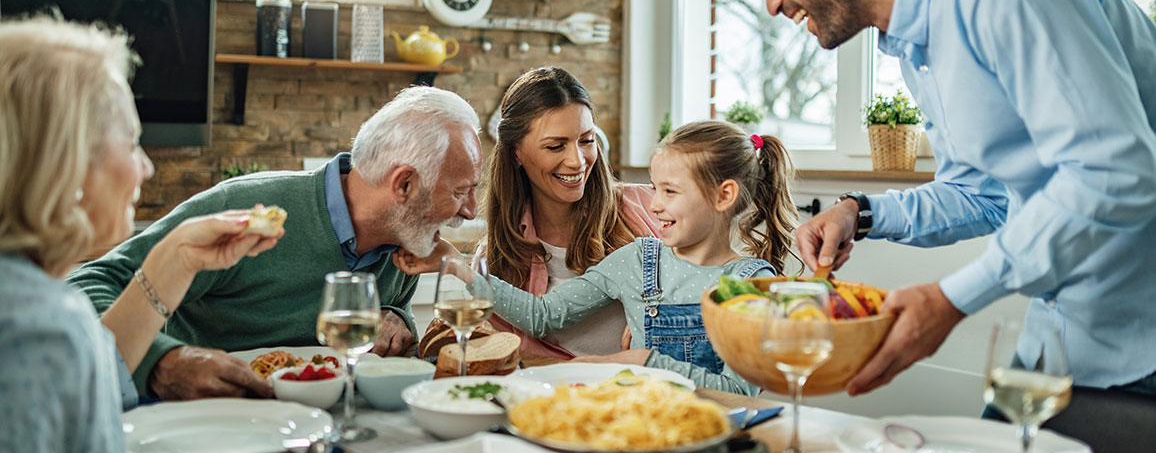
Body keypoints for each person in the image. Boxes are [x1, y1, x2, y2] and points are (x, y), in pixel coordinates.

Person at [740, 0, 1156, 399]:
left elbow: (1115, 173)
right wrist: (859, 211)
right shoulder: (917, 47)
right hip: (1063, 340)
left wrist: (951, 299)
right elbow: (985, 195)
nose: (772, 3)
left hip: (1141, 346)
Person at [69, 85, 482, 400]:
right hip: (198, 421)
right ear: (404, 184)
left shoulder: (408, 240)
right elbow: (86, 287)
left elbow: (390, 328)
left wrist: (397, 320)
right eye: (462, 191)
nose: (470, 211)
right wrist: (161, 361)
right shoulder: (245, 207)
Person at [0, 17, 281, 452]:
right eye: (132, 142)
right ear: (65, 163)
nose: (146, 167)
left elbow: (88, 382)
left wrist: (178, 256)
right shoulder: (39, 328)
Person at [399, 120, 798, 395]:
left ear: (723, 195)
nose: (655, 205)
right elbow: (543, 316)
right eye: (655, 189)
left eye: (670, 192)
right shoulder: (639, 260)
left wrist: (645, 361)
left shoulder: (750, 284)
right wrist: (459, 266)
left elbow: (739, 391)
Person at [477, 66, 662, 359]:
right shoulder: (496, 258)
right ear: (516, 154)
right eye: (555, 146)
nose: (577, 161)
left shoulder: (651, 208)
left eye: (586, 141)